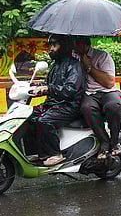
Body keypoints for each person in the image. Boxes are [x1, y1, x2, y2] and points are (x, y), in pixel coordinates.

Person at [26, 34, 85, 166]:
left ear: (64, 46)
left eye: (55, 45)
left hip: (68, 106)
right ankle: (37, 151)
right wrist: (36, 87)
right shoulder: (56, 65)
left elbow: (70, 90)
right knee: (28, 115)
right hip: (53, 104)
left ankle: (55, 154)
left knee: (45, 121)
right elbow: (47, 83)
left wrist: (48, 89)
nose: (51, 49)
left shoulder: (74, 65)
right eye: (50, 45)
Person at [73, 36, 121, 159]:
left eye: (76, 45)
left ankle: (115, 141)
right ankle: (104, 141)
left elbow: (109, 82)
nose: (74, 48)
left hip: (108, 92)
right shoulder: (74, 57)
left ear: (84, 45)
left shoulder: (102, 56)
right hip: (90, 93)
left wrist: (89, 67)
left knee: (113, 106)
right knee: (86, 108)